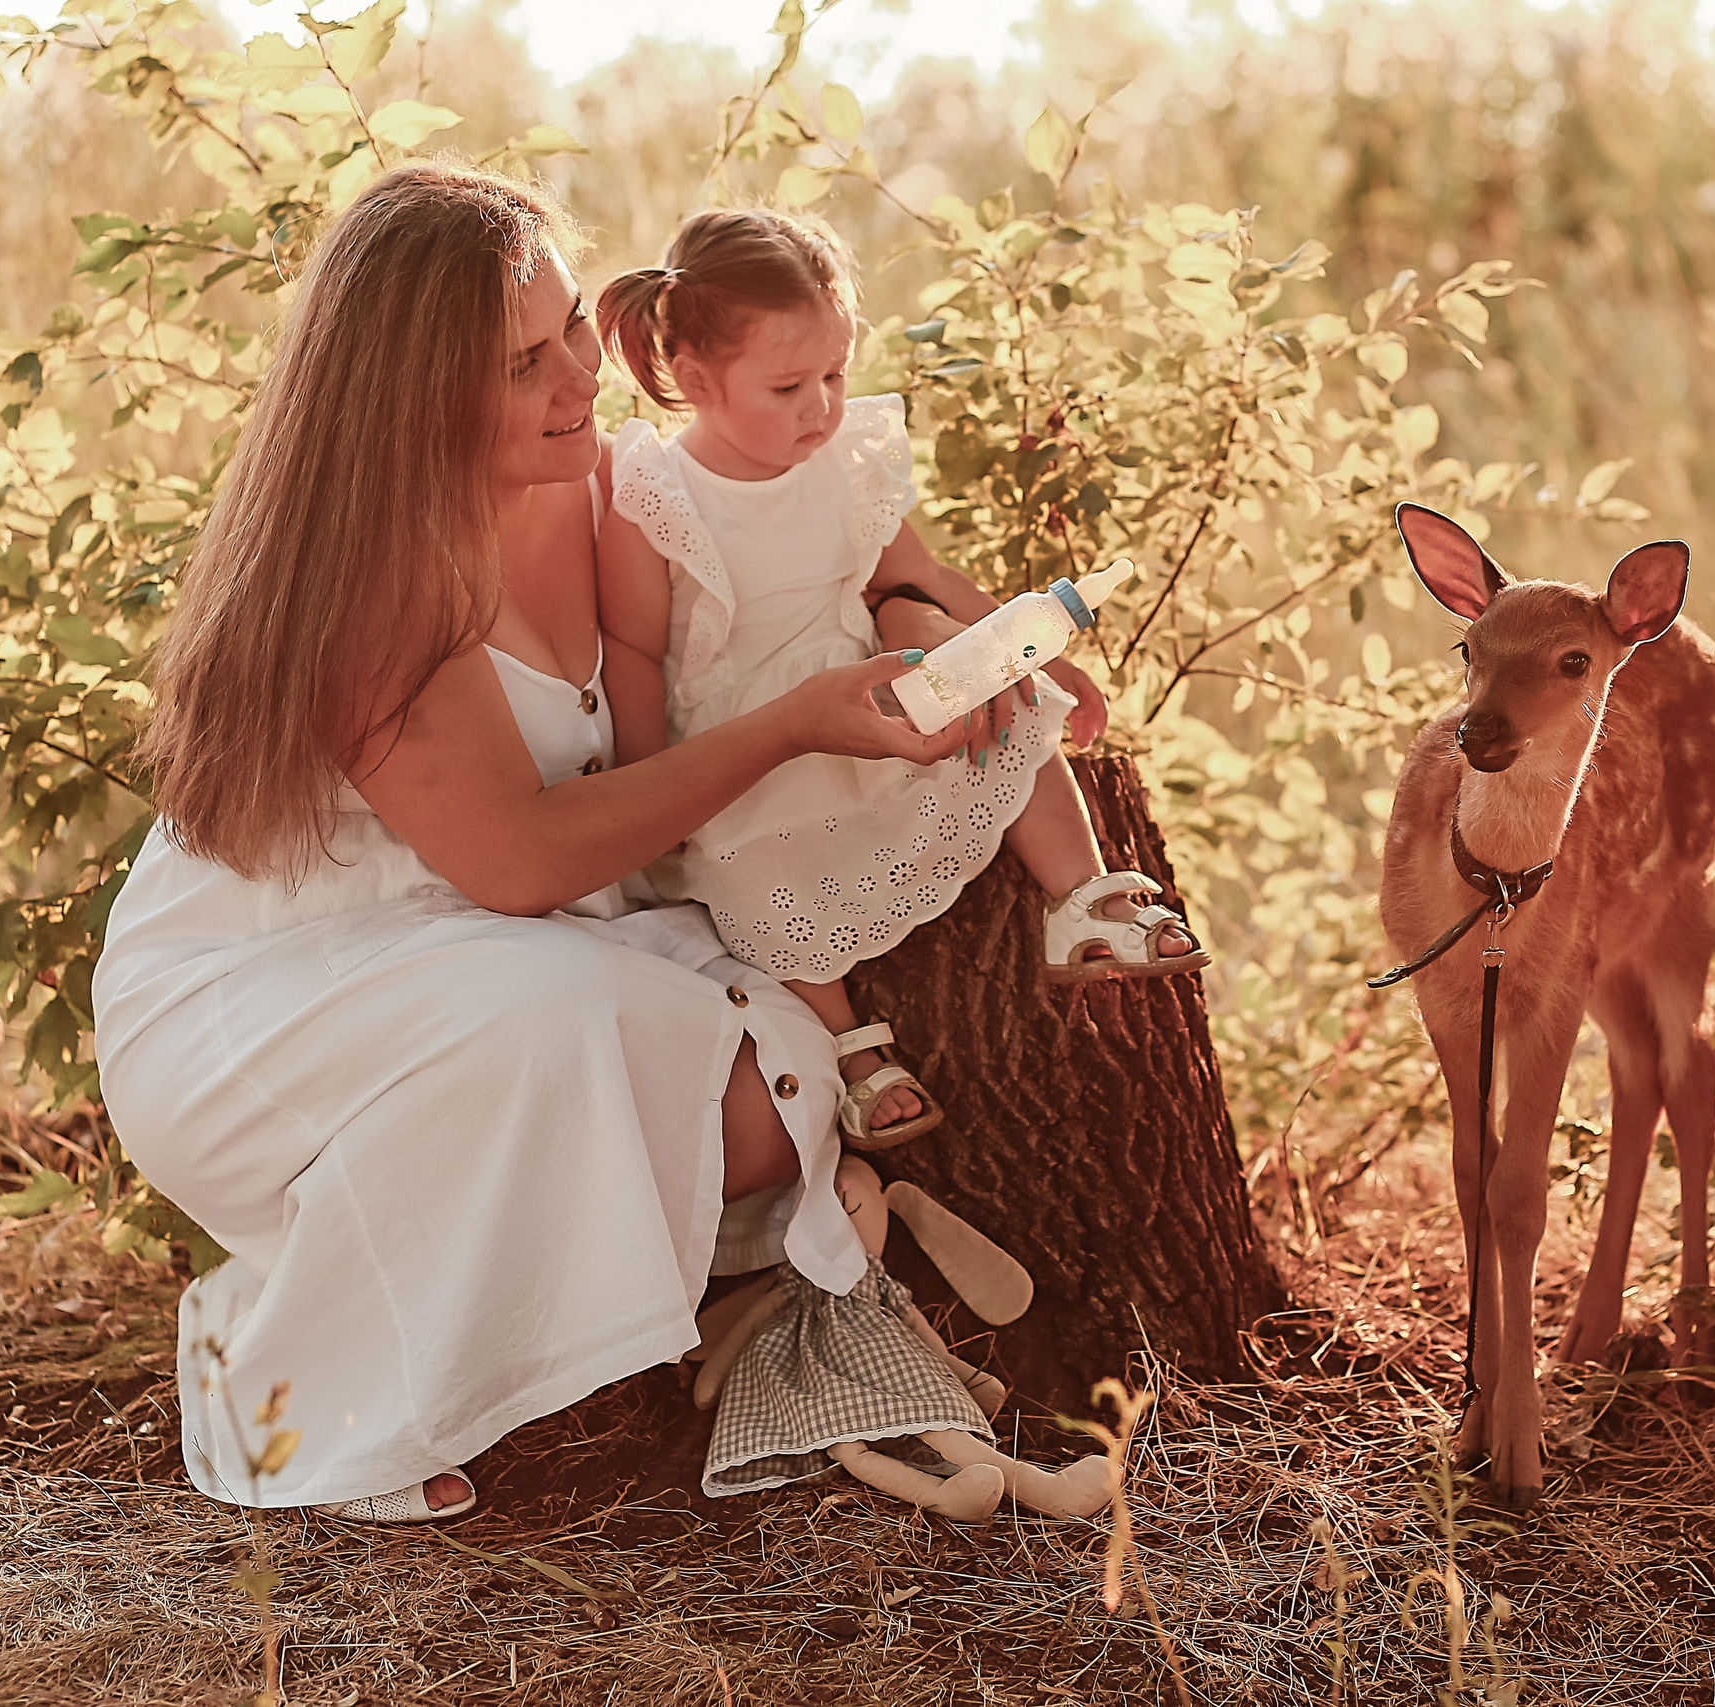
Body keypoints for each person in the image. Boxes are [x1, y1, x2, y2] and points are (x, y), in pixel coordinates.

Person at [90, 163, 965, 1523]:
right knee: (564, 1018)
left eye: (570, 328)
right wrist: (793, 725)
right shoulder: (376, 580)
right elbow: (519, 862)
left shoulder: (604, 482)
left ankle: (428, 1285)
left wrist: (947, 635)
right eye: (524, 363)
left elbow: (837, 544)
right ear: (416, 398)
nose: (578, 376)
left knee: (773, 1082)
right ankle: (284, 1373)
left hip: (483, 942)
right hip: (268, 993)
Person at [593, 207, 1208, 1152]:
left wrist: (1034, 644)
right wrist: (648, 782)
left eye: (837, 375)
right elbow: (633, 650)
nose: (823, 407)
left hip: (879, 697)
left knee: (1019, 717)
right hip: (750, 750)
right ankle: (850, 1047)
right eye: (790, 384)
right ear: (695, 378)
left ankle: (1085, 900)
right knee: (755, 880)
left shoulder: (842, 461)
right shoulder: (659, 498)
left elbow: (916, 578)